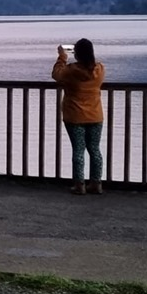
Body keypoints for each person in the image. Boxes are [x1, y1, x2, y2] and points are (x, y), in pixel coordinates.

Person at [51, 38, 105, 195]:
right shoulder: (100, 69)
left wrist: (62, 56)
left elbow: (56, 75)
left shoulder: (71, 70)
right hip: (95, 115)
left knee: (78, 150)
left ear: (77, 54)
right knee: (94, 149)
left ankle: (79, 184)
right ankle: (96, 183)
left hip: (75, 116)